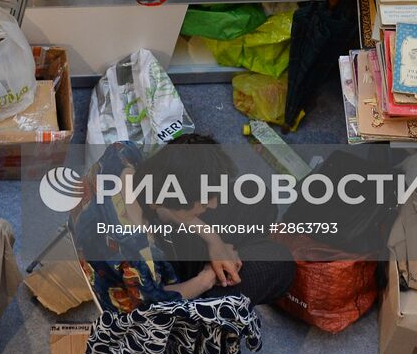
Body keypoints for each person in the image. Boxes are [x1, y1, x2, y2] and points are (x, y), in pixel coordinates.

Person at [71, 135, 294, 315]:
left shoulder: (122, 153)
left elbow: (160, 203)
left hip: (135, 239)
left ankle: (239, 249)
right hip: (159, 302)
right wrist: (207, 277)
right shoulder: (139, 257)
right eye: (205, 203)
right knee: (278, 263)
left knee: (256, 197)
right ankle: (239, 259)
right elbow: (159, 304)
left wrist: (213, 240)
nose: (213, 205)